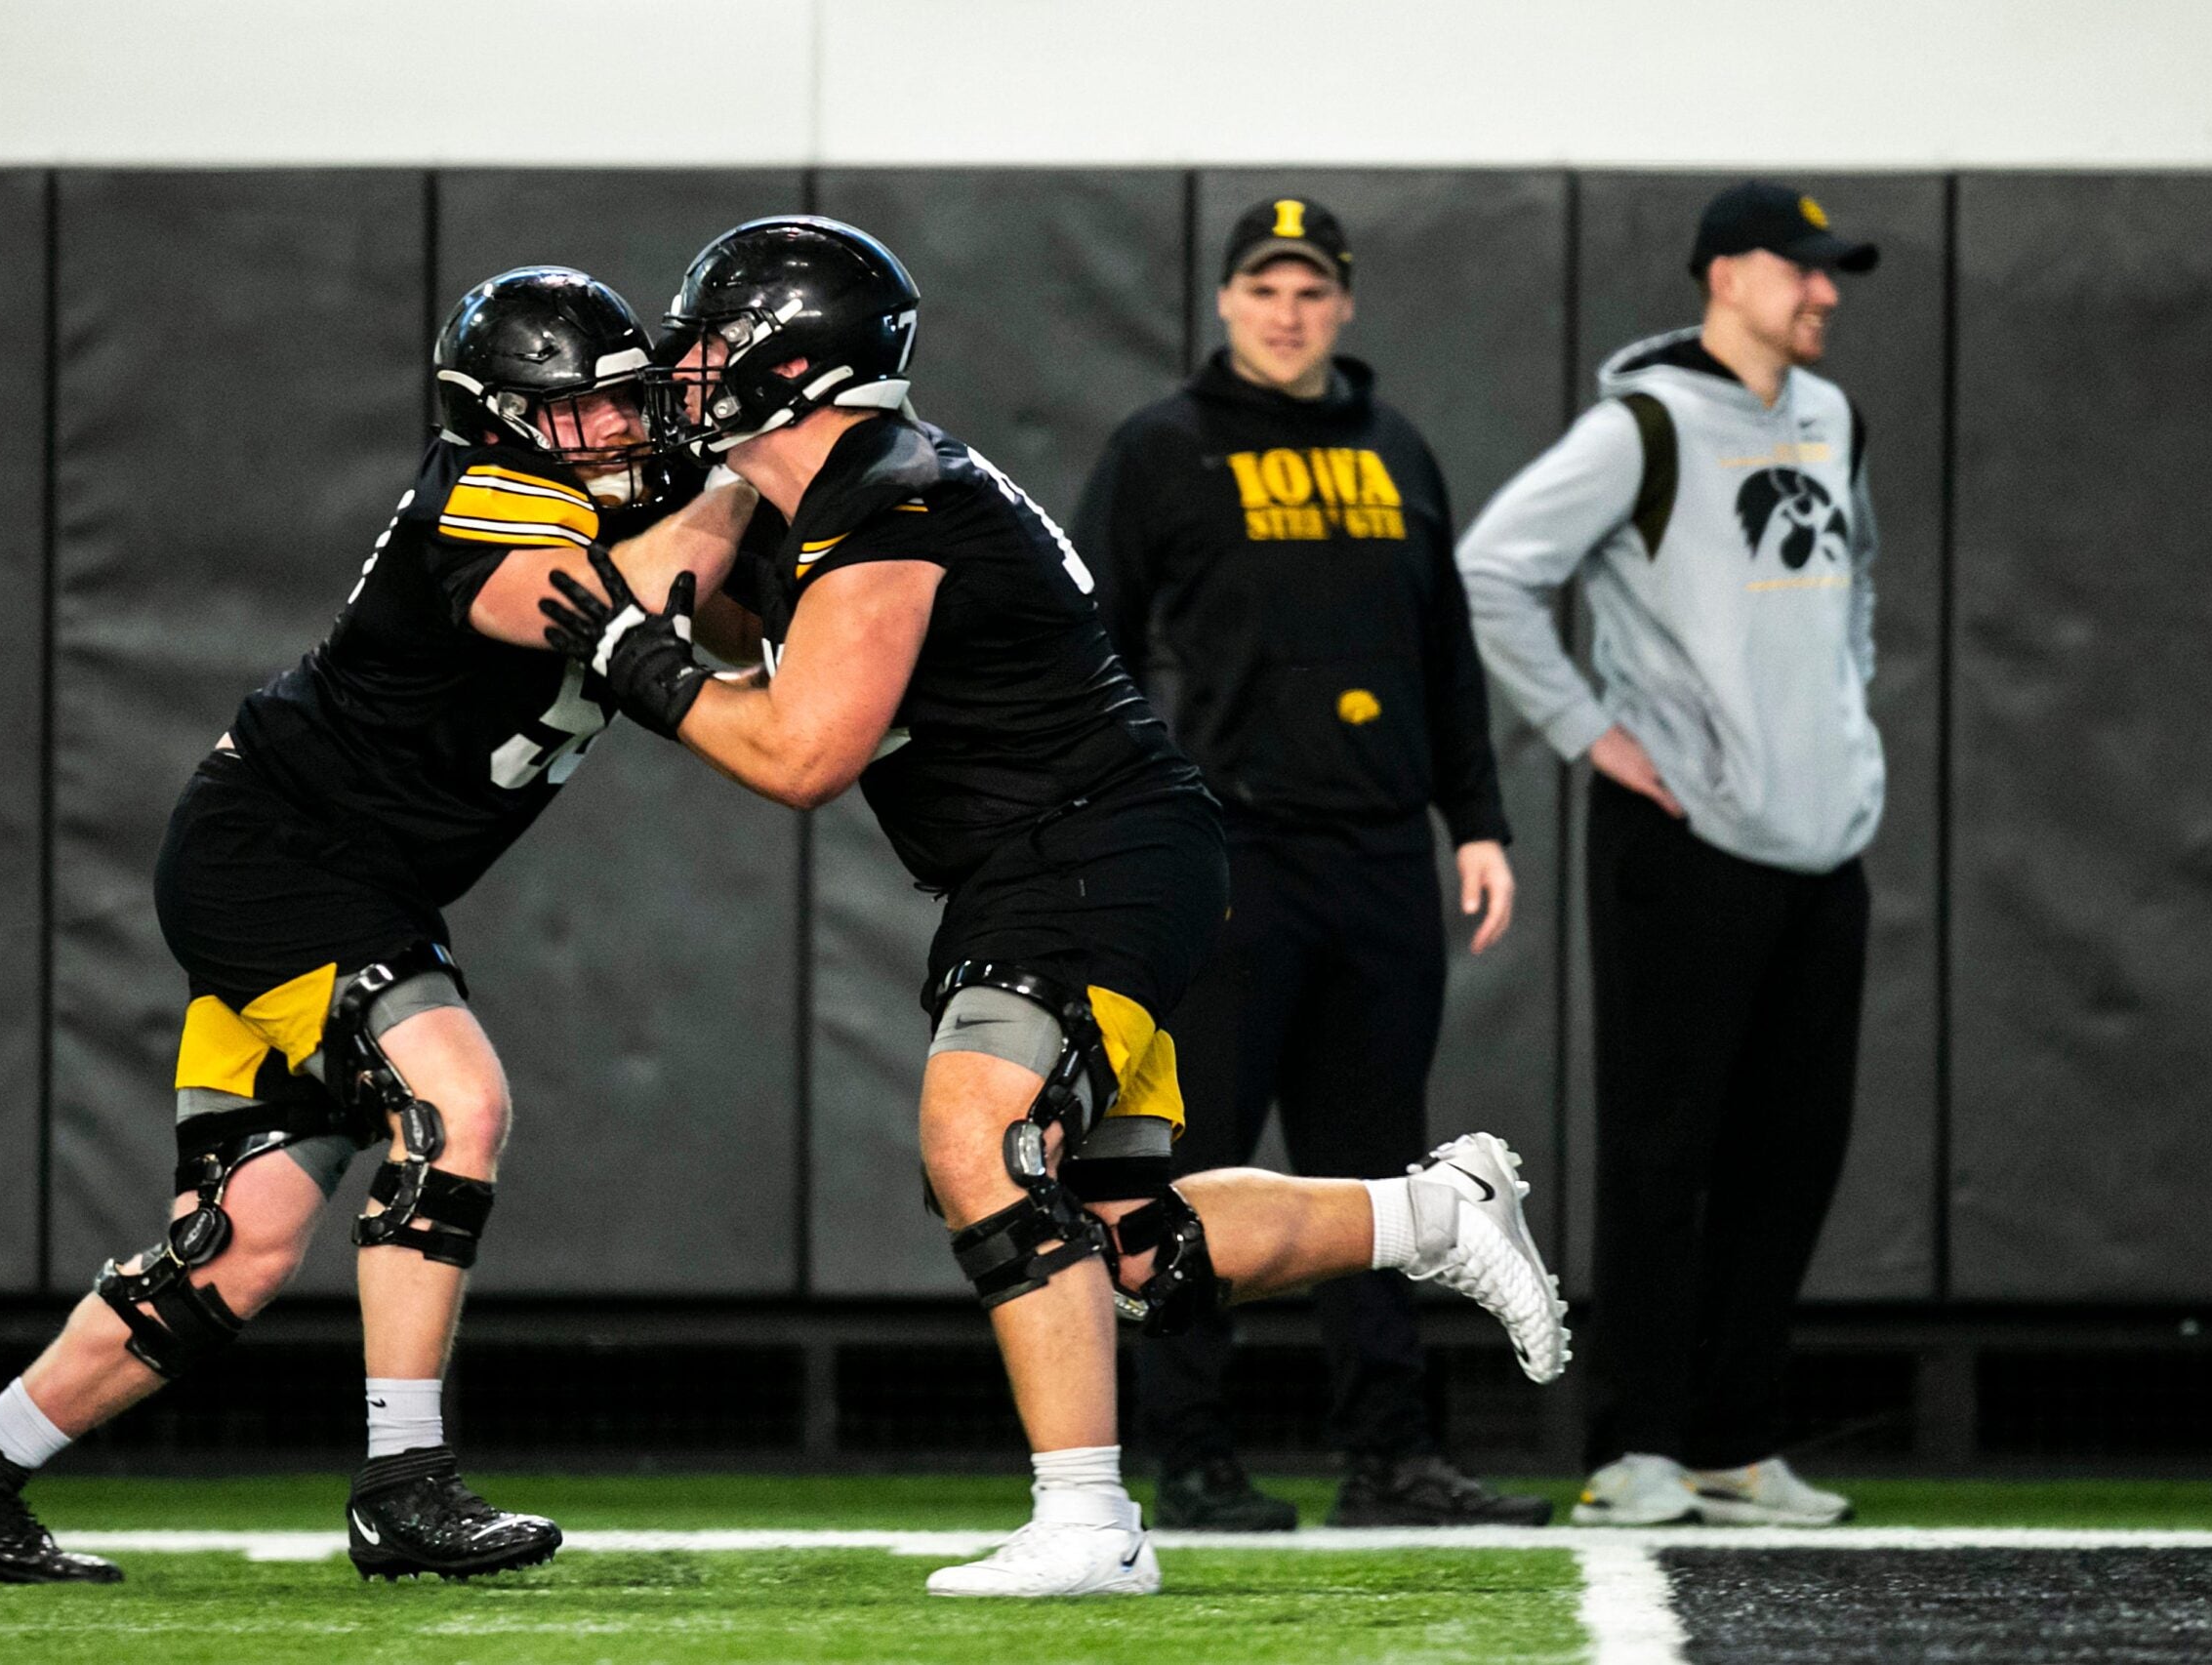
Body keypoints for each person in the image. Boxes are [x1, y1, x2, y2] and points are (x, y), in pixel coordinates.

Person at [540, 215, 1571, 1599]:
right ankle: (1437, 1214)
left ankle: (1087, 1521)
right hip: (1088, 848)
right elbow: (748, 624)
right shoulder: (846, 481)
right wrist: (691, 540)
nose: (687, 366)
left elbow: (802, 752)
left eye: (716, 342)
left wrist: (631, 658)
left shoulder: (891, 492)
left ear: (793, 361)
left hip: (1085, 849)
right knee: (1132, 1240)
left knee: (979, 1135)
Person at [0, 267, 756, 1584]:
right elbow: (623, 611)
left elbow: (731, 646)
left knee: (235, 1249)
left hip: (331, 874)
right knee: (455, 1107)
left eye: (629, 404)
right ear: (506, 418)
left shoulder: (589, 497)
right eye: (585, 412)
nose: (622, 431)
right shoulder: (485, 496)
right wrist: (755, 475)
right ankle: (407, 1483)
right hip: (285, 862)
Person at [1074, 194, 1546, 1531]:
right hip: (1229, 865)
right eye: (1265, 289)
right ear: (1226, 301)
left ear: (1342, 304)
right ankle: (1193, 1453)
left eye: (1311, 291)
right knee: (1194, 1162)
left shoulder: (1399, 450)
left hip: (1384, 862)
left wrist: (1484, 821)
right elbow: (1086, 646)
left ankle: (1391, 1452)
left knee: (1381, 1173)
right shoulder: (1159, 451)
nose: (1288, 312)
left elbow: (1447, 656)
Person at [1456, 182, 1882, 1528]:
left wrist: (1847, 741)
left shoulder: (1831, 418)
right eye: (1803, 271)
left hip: (1825, 848)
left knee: (1793, 1150)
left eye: (1831, 275)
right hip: (1683, 840)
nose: (1824, 294)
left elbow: (1852, 593)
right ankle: (1638, 1442)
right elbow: (1492, 570)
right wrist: (1593, 733)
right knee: (1662, 1148)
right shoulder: (1639, 423)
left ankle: (1736, 1442)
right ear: (1727, 276)